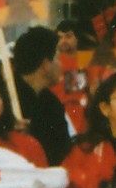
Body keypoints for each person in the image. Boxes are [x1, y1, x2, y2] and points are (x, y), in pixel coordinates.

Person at [7, 26, 76, 163]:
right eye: (56, 58)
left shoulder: (52, 103)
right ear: (45, 65)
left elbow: (63, 152)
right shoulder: (6, 98)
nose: (61, 64)